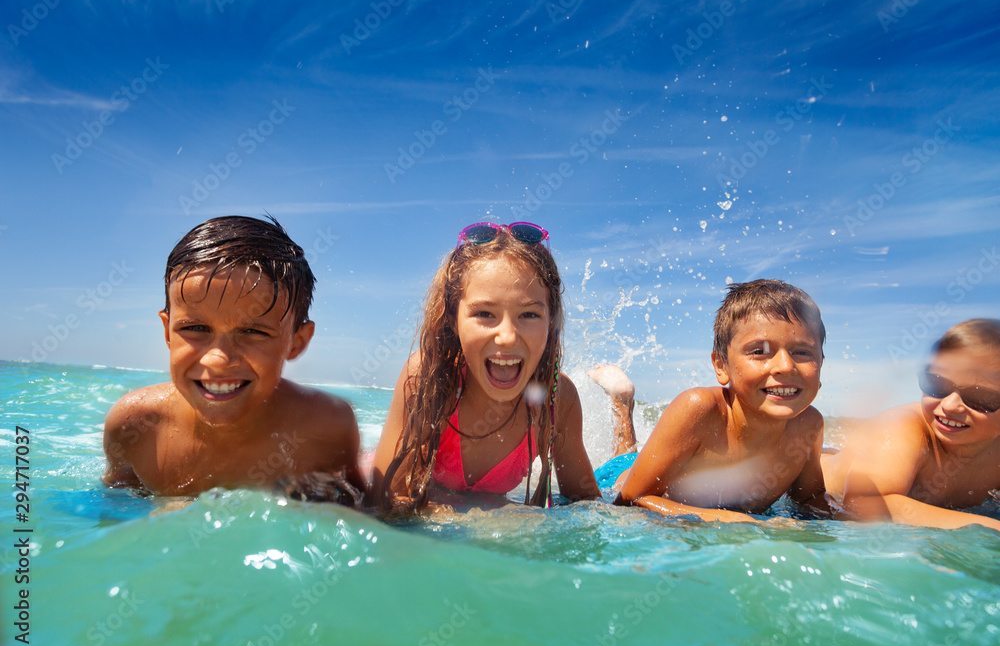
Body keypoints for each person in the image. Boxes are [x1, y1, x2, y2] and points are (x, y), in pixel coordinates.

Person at [102, 216, 365, 504]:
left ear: (297, 342)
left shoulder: (328, 425)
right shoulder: (134, 425)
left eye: (252, 331)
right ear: (167, 331)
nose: (218, 360)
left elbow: (358, 509)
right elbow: (115, 510)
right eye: (196, 328)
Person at [372, 222, 601, 513]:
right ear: (453, 319)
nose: (506, 337)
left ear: (551, 322)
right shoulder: (427, 379)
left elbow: (587, 504)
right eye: (484, 313)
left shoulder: (556, 397)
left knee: (619, 472)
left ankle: (622, 406)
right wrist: (468, 523)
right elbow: (383, 499)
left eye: (529, 314)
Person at [592, 279, 831, 522]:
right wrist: (731, 521)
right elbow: (629, 499)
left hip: (665, 464)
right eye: (759, 351)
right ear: (721, 366)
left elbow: (810, 500)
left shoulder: (808, 426)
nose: (785, 366)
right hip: (620, 478)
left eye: (802, 352)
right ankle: (621, 400)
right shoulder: (699, 408)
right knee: (623, 457)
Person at [822, 319, 1000, 531]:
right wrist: (989, 526)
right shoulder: (903, 427)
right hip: (808, 481)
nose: (950, 405)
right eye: (937, 384)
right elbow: (862, 503)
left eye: (979, 396)